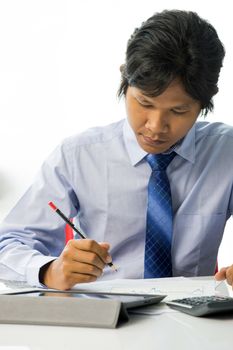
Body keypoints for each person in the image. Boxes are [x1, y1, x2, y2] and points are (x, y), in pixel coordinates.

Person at [0, 9, 232, 291]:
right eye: (144, 103)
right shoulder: (79, 156)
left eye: (178, 110)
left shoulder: (225, 152)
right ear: (125, 81)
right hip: (106, 315)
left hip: (196, 319)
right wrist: (50, 270)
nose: (156, 126)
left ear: (204, 104)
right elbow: (8, 245)